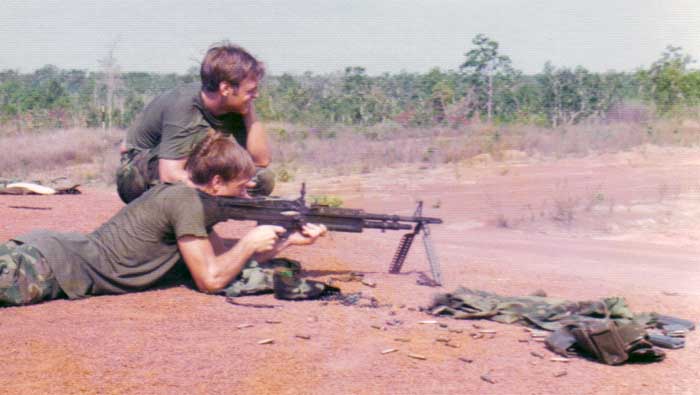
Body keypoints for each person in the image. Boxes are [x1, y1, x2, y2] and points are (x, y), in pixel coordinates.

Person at [0, 132, 327, 307]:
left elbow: (218, 257)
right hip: (47, 267)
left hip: (51, 257)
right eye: (241, 188)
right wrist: (250, 241)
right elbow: (211, 279)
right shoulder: (185, 200)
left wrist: (286, 242)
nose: (245, 196)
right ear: (215, 183)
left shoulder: (186, 198)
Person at [116, 41, 275, 204]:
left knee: (261, 179)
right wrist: (219, 189)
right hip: (137, 177)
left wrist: (250, 113)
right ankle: (185, 221)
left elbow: (261, 161)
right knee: (191, 182)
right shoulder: (183, 105)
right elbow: (169, 174)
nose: (256, 95)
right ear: (226, 89)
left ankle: (206, 214)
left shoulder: (234, 106)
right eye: (250, 91)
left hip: (187, 171)